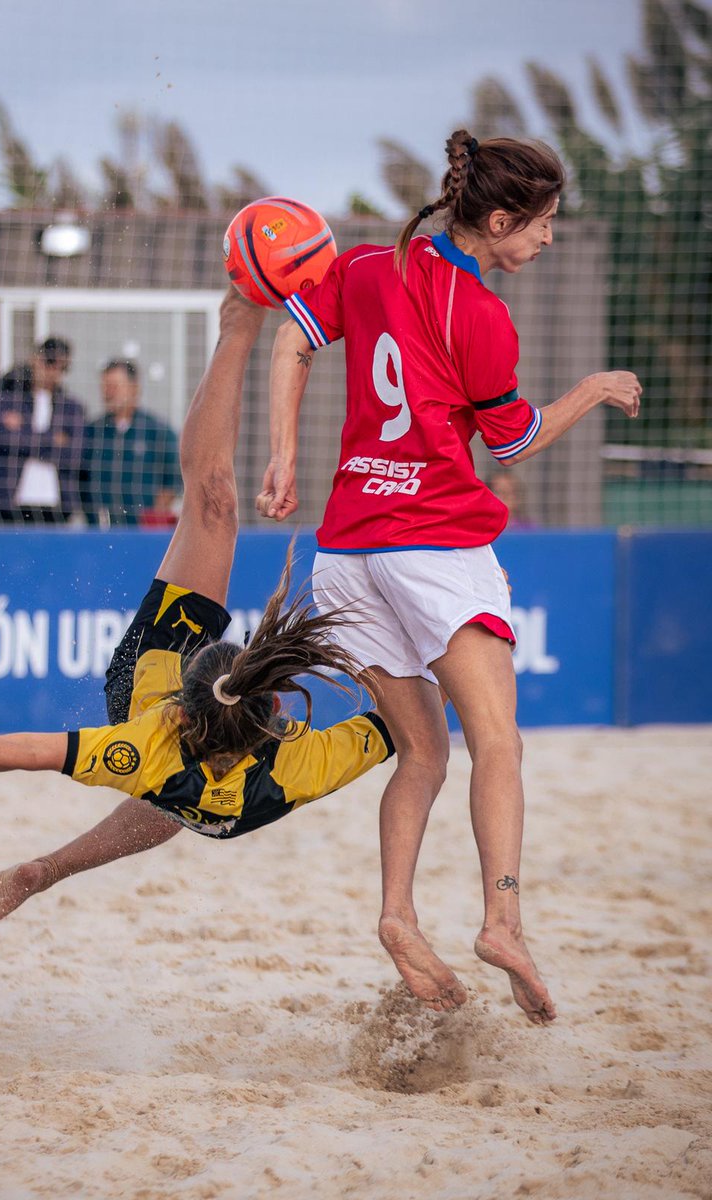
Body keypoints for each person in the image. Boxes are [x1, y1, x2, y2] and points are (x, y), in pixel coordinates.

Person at [0, 291, 396, 936]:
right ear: (274, 717)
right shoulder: (296, 763)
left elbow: (26, 752)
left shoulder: (148, 739)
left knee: (212, 505)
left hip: (146, 681)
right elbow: (407, 726)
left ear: (180, 710)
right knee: (166, 807)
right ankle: (44, 870)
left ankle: (237, 327)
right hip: (214, 780)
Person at [256, 131, 643, 1026]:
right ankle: (502, 920)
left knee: (423, 754)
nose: (548, 240)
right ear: (500, 220)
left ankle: (397, 916)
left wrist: (284, 458)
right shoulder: (483, 315)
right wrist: (590, 389)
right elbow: (510, 443)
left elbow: (293, 343)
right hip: (431, 544)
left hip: (346, 548)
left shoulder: (366, 266)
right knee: (498, 743)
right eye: (542, 225)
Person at [0, 336, 86, 524]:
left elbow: (73, 457)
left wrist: (24, 432)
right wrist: (53, 440)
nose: (54, 371)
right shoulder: (8, 398)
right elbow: (5, 442)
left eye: (62, 368)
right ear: (35, 359)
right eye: (50, 362)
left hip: (56, 506)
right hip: (8, 503)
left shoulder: (72, 408)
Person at [81, 359, 181, 526]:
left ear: (134, 389)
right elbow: (81, 480)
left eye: (115, 386)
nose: (109, 393)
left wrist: (154, 516)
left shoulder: (157, 431)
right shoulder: (93, 431)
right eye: (105, 387)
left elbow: (173, 480)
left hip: (141, 532)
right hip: (101, 529)